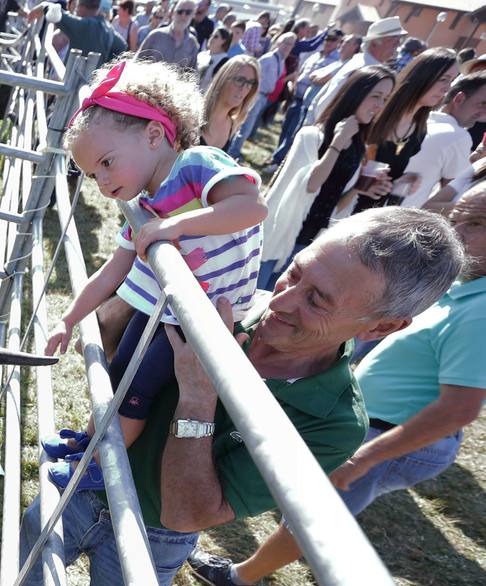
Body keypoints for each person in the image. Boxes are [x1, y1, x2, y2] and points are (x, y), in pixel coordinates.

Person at [0, 207, 464, 586]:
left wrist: (198, 395)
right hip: (86, 482)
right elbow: (121, 334)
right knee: (19, 578)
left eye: (317, 300)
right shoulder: (223, 299)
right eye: (296, 272)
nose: (280, 301)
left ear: (382, 327)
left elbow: (187, 514)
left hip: (155, 537)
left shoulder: (332, 422)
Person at [188, 185, 486, 586]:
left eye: (477, 224)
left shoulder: (480, 314)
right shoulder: (457, 288)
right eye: (459, 215)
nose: (458, 230)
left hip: (391, 435)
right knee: (314, 509)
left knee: (315, 516)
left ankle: (247, 579)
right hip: (380, 423)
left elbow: (459, 409)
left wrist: (366, 456)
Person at [42, 59, 266, 488]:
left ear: (153, 134)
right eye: (92, 174)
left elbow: (251, 207)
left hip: (195, 320)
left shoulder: (198, 163)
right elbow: (113, 272)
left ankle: (99, 466)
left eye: (107, 163)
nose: (102, 182)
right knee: (118, 373)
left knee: (132, 396)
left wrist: (174, 226)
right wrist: (69, 319)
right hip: (163, 309)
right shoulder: (144, 202)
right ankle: (91, 443)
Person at [257, 66, 395, 289]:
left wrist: (359, 189)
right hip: (280, 235)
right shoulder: (313, 136)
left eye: (385, 99)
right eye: (376, 96)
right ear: (355, 94)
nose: (379, 106)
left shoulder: (359, 146)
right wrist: (337, 143)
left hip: (312, 243)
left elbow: (335, 203)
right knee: (254, 295)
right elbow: (310, 184)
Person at [354, 48, 459, 213]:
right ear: (424, 75)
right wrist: (360, 185)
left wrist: (402, 182)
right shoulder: (375, 110)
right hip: (336, 211)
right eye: (444, 79)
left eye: (452, 80)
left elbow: (387, 178)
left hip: (369, 218)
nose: (448, 88)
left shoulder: (419, 129)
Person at [401, 73, 486, 212]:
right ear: (459, 99)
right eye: (482, 104)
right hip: (399, 223)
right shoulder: (458, 137)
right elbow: (454, 197)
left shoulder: (422, 121)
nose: (484, 113)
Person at [270, 29, 347, 167]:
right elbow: (300, 71)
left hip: (309, 102)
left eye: (332, 40)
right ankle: (277, 156)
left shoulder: (337, 60)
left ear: (338, 43)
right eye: (326, 39)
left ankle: (279, 161)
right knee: (285, 128)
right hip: (297, 97)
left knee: (294, 133)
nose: (328, 42)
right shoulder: (315, 55)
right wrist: (293, 86)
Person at [307, 16, 405, 124]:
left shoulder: (359, 62)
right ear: (374, 43)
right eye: (394, 41)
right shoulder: (365, 69)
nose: (397, 46)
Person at [228, 31, 296, 156]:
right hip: (257, 95)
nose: (288, 46)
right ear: (279, 43)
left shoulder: (280, 60)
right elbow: (253, 74)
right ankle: (233, 152)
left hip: (264, 97)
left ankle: (234, 151)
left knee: (248, 127)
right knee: (245, 127)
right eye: (286, 43)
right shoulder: (269, 58)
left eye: (291, 44)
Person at [28, 0, 129, 64]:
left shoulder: (82, 25)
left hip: (73, 90)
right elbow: (123, 46)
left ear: (81, 7)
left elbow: (55, 13)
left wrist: (43, 5)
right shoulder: (109, 30)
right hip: (93, 91)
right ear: (98, 8)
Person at [199, 55, 259, 149]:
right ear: (223, 79)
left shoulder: (232, 125)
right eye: (240, 80)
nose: (243, 89)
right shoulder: (194, 114)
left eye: (250, 83)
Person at [137, 0, 199, 69]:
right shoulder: (155, 35)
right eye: (180, 12)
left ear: (193, 15)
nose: (183, 16)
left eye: (188, 12)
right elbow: (137, 61)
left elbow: (193, 73)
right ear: (173, 13)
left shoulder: (192, 43)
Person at [196, 25, 233, 91]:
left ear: (224, 41)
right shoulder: (201, 54)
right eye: (211, 36)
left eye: (215, 36)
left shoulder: (224, 61)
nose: (211, 38)